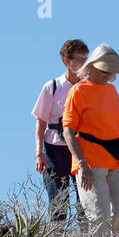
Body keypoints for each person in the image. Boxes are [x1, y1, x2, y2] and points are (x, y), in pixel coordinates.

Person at [61, 44, 119, 237]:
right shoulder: (78, 91)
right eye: (104, 69)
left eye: (110, 70)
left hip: (116, 161)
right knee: (98, 219)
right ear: (91, 66)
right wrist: (81, 163)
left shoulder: (112, 91)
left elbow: (114, 130)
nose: (107, 74)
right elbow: (68, 130)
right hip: (91, 165)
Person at [32, 39, 88, 226]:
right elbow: (41, 121)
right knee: (59, 200)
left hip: (81, 147)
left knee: (85, 200)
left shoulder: (88, 88)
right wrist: (39, 153)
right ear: (66, 60)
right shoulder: (52, 87)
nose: (81, 63)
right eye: (77, 58)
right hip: (54, 148)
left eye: (84, 58)